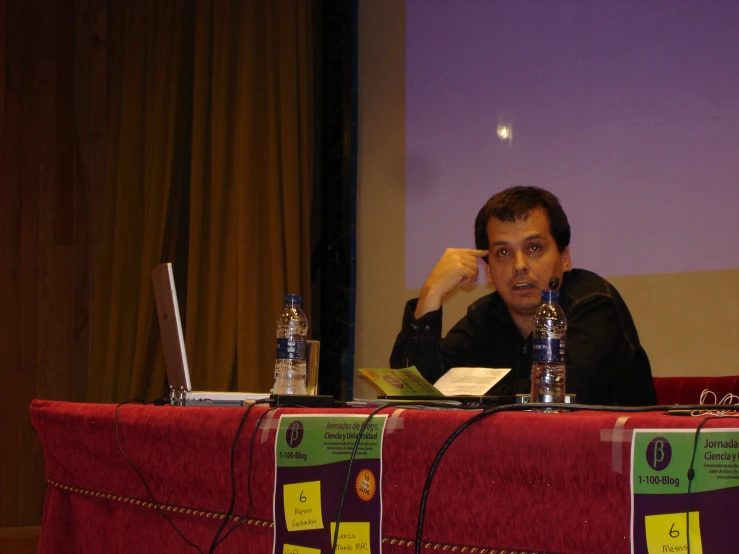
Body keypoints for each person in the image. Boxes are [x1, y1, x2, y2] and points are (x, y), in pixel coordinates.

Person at [390, 186, 657, 406]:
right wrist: (430, 293)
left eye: (534, 248)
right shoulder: (485, 316)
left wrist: (465, 392)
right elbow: (413, 392)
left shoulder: (594, 304)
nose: (519, 265)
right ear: (490, 272)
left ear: (564, 258)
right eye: (503, 253)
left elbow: (559, 395)